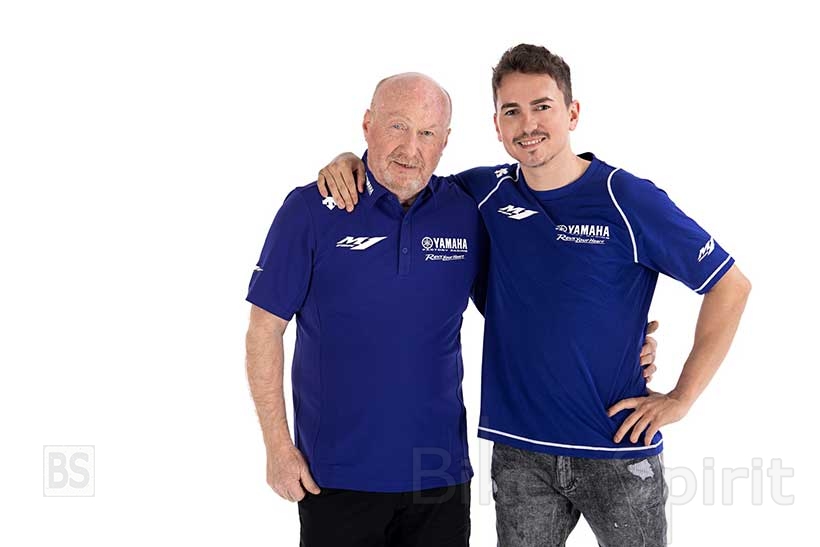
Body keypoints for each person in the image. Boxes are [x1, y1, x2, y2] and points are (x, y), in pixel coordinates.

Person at [316, 44, 751, 547]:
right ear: (496, 125)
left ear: (572, 112)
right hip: (520, 454)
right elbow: (406, 175)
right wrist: (348, 160)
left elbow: (730, 285)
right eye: (512, 111)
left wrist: (680, 398)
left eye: (542, 106)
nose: (528, 124)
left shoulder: (625, 198)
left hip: (617, 448)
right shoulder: (480, 193)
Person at [245, 71, 659, 547]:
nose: (410, 148)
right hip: (336, 473)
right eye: (397, 127)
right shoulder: (310, 210)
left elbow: (529, 306)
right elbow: (263, 330)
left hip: (439, 476)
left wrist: (618, 345)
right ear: (367, 125)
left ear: (445, 141)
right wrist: (277, 446)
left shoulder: (467, 210)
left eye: (427, 133)